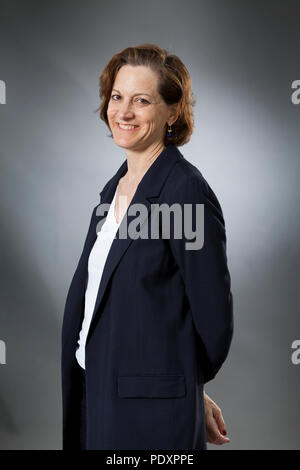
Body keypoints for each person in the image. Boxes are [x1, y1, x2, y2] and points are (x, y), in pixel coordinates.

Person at [61, 43, 234, 450]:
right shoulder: (113, 190)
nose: (123, 112)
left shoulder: (183, 189)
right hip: (96, 394)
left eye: (142, 100)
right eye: (117, 97)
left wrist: (179, 387)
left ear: (172, 111)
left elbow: (214, 321)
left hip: (145, 414)